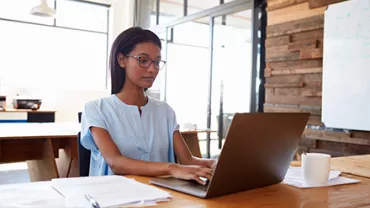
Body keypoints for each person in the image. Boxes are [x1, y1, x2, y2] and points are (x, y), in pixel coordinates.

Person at [81, 27, 216, 185]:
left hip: (163, 196)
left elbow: (187, 160)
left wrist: (212, 163)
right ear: (121, 60)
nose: (152, 69)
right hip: (115, 197)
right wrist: (171, 168)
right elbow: (115, 162)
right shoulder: (97, 109)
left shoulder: (165, 111)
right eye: (143, 60)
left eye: (157, 62)